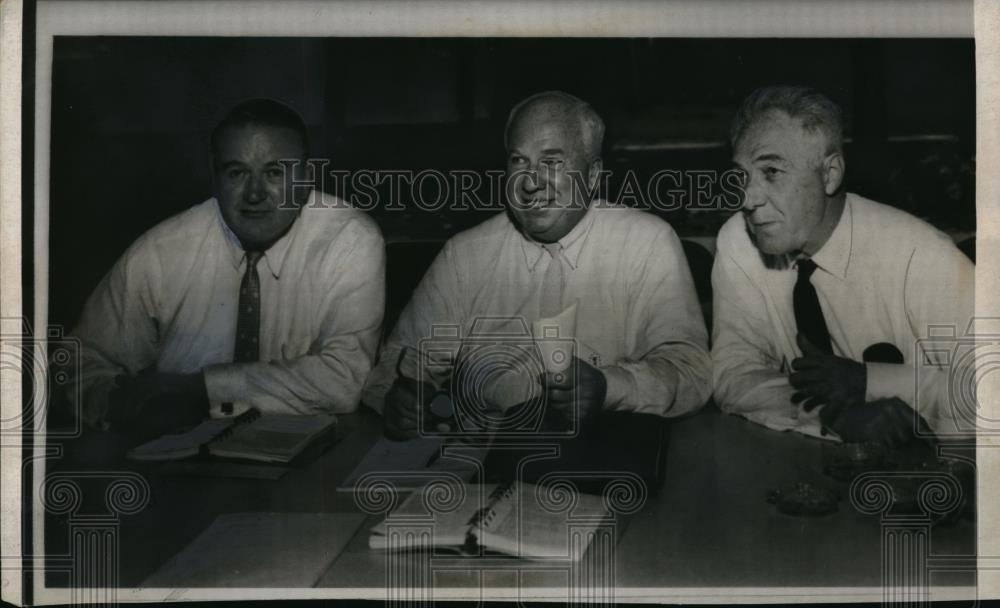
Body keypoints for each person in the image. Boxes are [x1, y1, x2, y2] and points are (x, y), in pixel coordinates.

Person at [364, 91, 711, 440]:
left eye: (552, 162)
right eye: (519, 161)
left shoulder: (646, 244)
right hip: (484, 456)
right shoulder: (466, 255)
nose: (530, 183)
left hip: (609, 453)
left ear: (592, 175)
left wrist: (610, 387)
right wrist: (400, 401)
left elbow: (691, 372)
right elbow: (396, 366)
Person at [68, 98, 385, 436]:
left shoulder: (348, 240)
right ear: (215, 178)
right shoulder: (161, 250)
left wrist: (198, 389)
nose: (254, 193)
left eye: (275, 172)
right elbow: (78, 362)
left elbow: (345, 379)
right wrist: (119, 403)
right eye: (236, 173)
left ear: (306, 178)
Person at [711, 85, 974, 445]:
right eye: (742, 175)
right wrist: (833, 414)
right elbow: (733, 372)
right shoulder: (739, 242)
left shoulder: (921, 256)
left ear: (830, 174)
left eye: (771, 172)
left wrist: (870, 382)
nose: (747, 198)